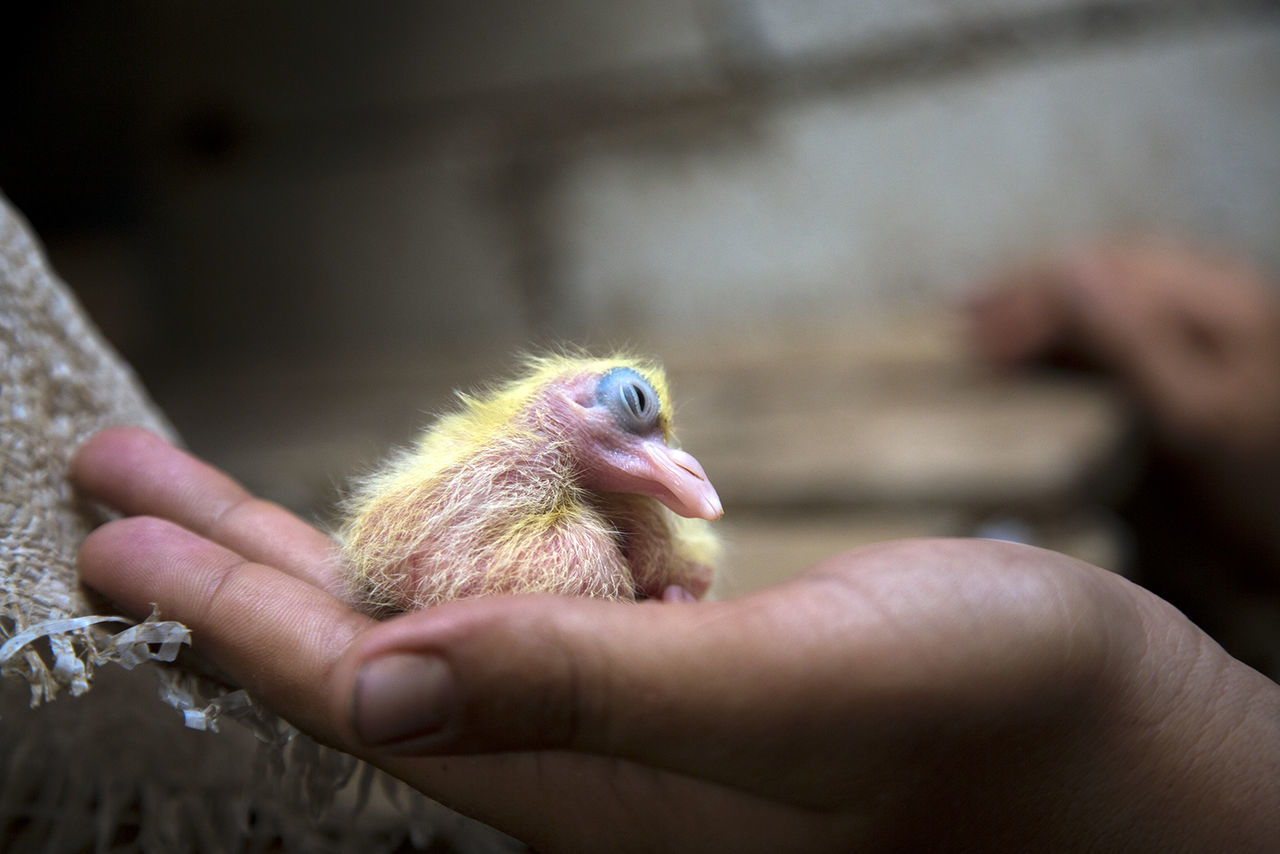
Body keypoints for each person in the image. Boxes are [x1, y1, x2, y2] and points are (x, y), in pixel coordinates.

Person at [74, 238, 1280, 852]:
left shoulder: (602, 499)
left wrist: (1130, 708)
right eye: (636, 423)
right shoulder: (535, 498)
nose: (667, 457)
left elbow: (662, 536)